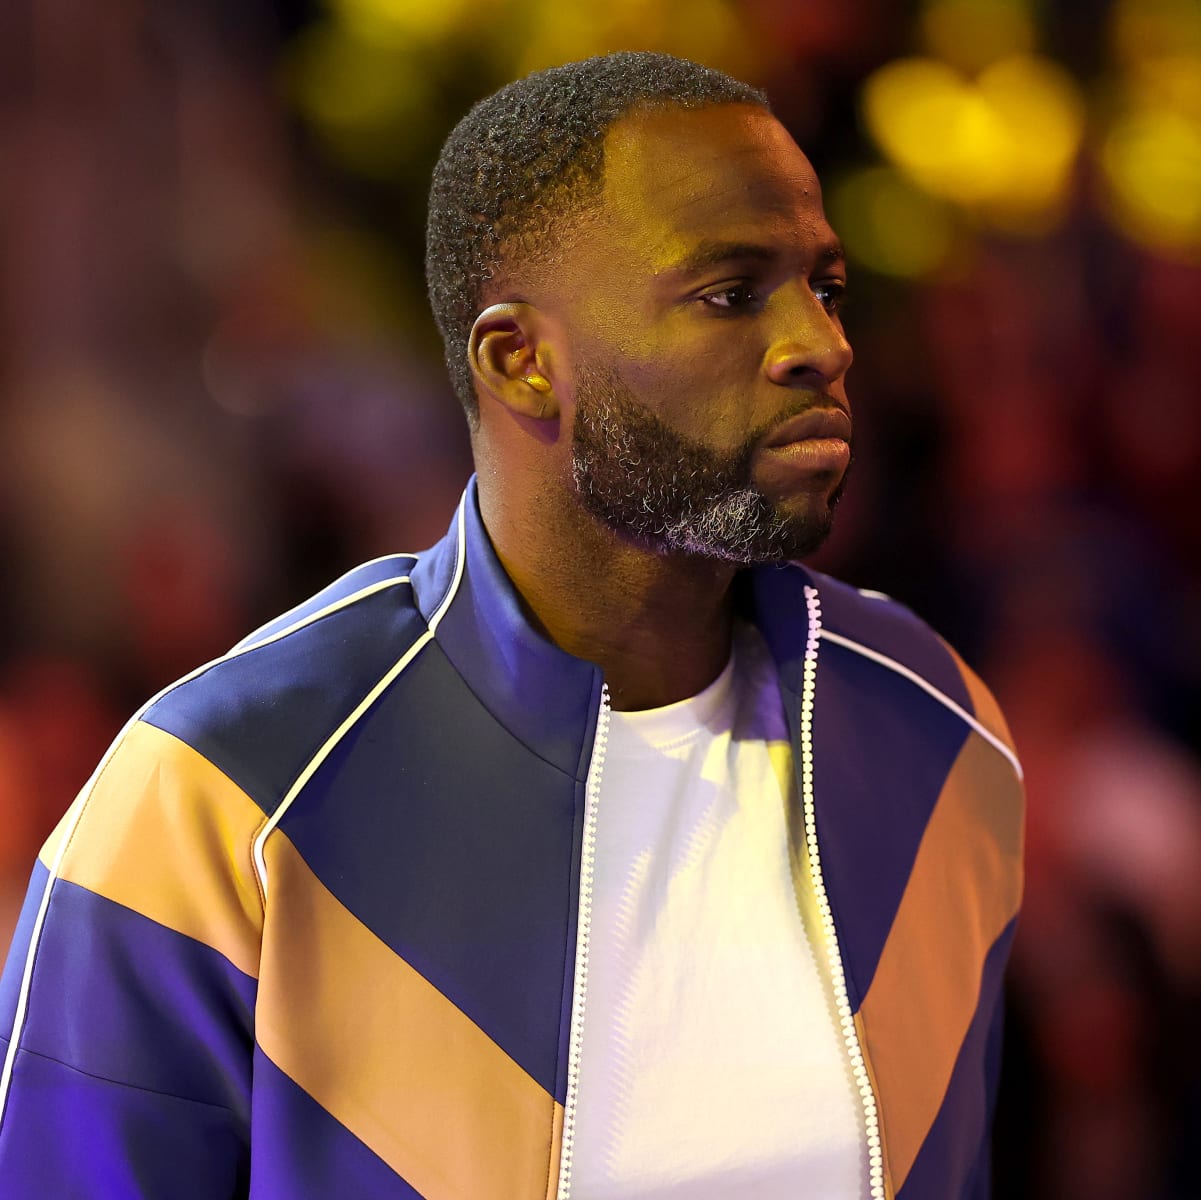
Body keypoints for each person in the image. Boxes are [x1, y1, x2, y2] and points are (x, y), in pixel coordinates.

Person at [0, 52, 1024, 1199]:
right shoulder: (217, 794)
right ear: (519, 361)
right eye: (733, 292)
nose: (820, 344)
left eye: (825, 288)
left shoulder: (939, 735)